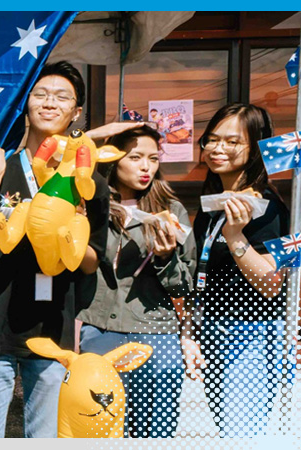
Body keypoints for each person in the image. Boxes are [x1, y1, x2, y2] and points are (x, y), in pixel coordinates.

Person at [0, 61, 139, 438]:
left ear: (77, 112)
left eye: (62, 97)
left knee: (48, 440)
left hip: (54, 336)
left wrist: (73, 230)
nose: (50, 103)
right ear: (26, 103)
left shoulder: (90, 184)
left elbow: (91, 263)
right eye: (41, 94)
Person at [75, 125, 196, 438]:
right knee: (98, 427)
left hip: (155, 335)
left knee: (153, 433)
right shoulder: (90, 207)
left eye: (153, 159)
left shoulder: (172, 211)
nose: (146, 167)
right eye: (136, 157)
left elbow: (184, 288)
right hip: (98, 329)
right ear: (113, 160)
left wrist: (166, 258)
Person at [189, 103, 294, 438]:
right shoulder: (212, 206)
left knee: (242, 434)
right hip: (213, 332)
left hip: (251, 334)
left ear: (256, 148)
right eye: (212, 139)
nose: (218, 148)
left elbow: (271, 284)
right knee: (229, 432)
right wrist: (190, 330)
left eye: (232, 142)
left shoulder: (268, 208)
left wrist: (235, 236)